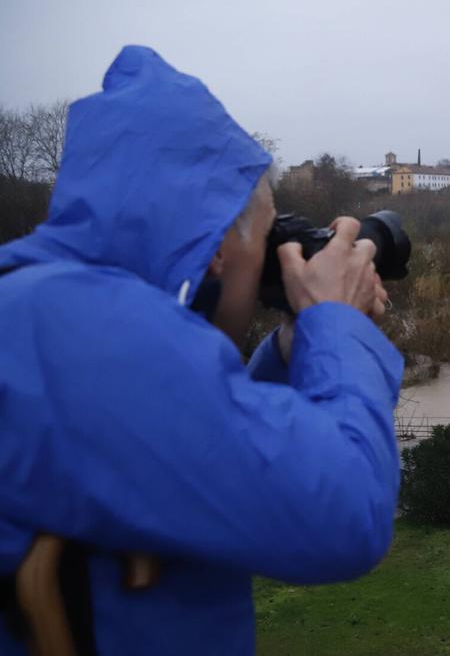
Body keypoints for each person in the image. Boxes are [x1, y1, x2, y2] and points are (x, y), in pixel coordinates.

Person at [0, 46, 405, 654]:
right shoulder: (88, 339)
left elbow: (216, 443)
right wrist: (337, 321)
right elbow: (346, 511)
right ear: (217, 250)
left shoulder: (56, 315)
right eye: (267, 239)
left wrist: (302, 345)